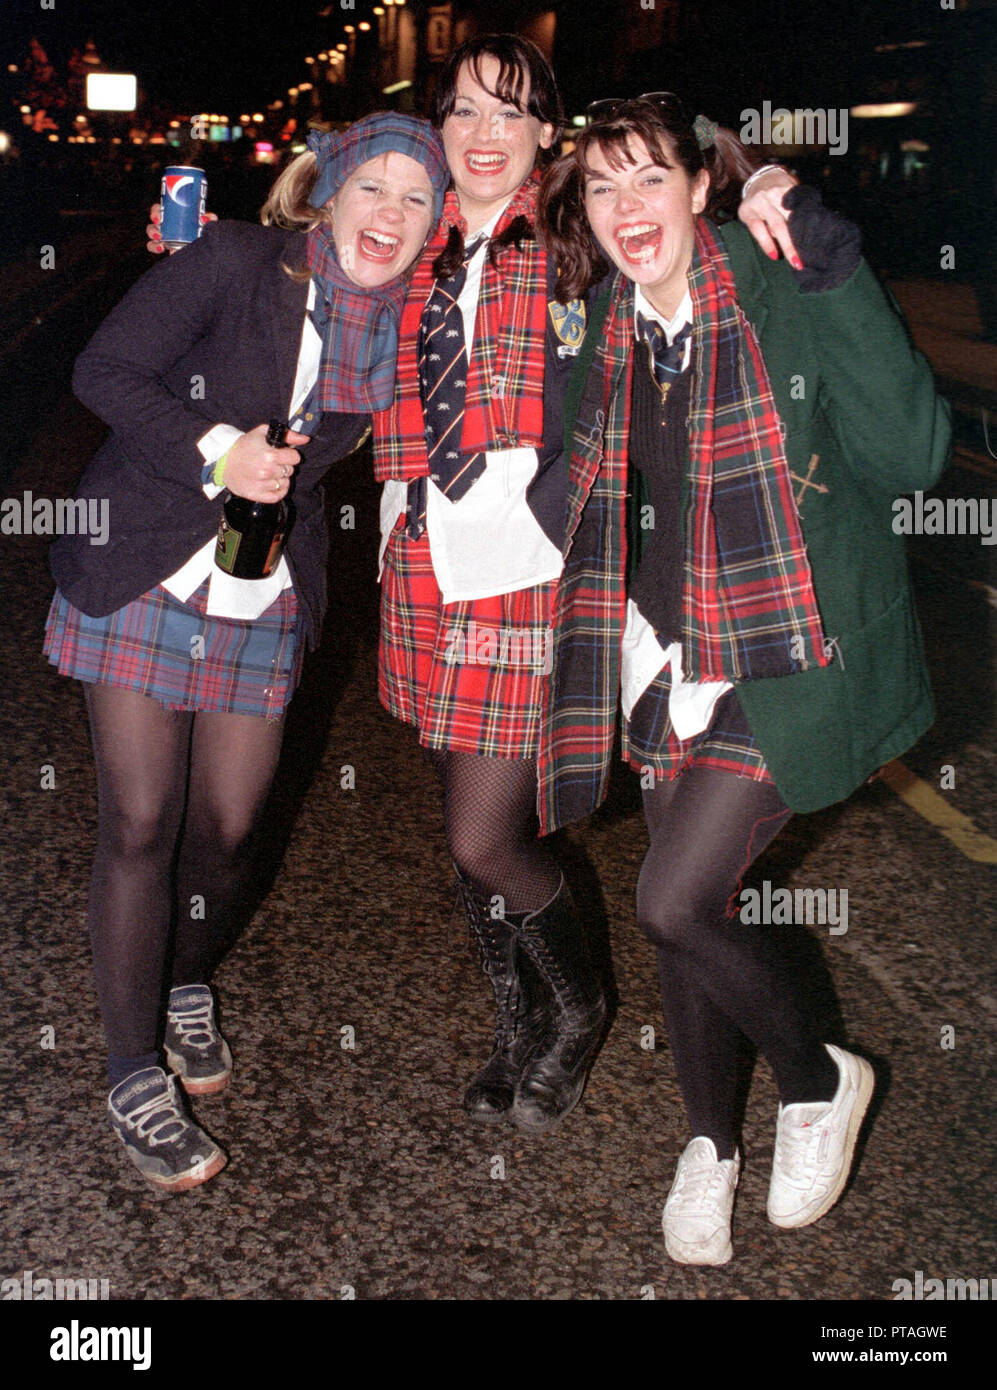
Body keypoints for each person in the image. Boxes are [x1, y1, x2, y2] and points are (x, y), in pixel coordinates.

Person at [537, 96, 950, 1261]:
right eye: (603, 190)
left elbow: (913, 455)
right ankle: (709, 1147)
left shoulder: (780, 281)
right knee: (689, 915)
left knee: (669, 900)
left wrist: (835, 269)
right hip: (666, 659)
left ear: (701, 186)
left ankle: (821, 1078)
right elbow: (579, 474)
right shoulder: (609, 322)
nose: (627, 211)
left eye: (649, 181)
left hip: (787, 646)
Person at [371, 39, 803, 1135]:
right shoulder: (406, 231)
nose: (481, 133)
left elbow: (669, 215)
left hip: (535, 581)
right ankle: (515, 1023)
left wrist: (754, 182)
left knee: (487, 837)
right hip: (425, 572)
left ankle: (577, 1009)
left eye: (508, 113)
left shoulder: (572, 233)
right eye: (462, 110)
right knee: (463, 826)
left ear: (542, 134)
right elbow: (305, 258)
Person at [44, 113, 450, 1191]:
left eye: (417, 201)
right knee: (142, 820)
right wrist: (220, 450)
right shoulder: (231, 260)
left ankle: (184, 978)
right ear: (329, 191)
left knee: (228, 829)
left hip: (261, 586)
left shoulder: (411, 327)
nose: (390, 215)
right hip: (143, 559)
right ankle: (134, 1069)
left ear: (435, 227)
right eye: (375, 188)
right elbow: (104, 371)